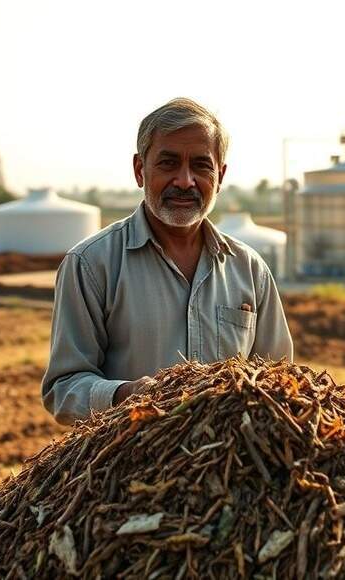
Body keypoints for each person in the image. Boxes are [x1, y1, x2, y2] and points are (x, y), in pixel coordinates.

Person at [42, 97, 293, 425]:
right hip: (132, 465)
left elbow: (281, 381)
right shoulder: (91, 264)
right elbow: (63, 388)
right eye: (168, 163)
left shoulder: (249, 269)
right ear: (139, 170)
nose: (185, 181)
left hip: (234, 469)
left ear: (220, 175)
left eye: (201, 165)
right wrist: (123, 396)